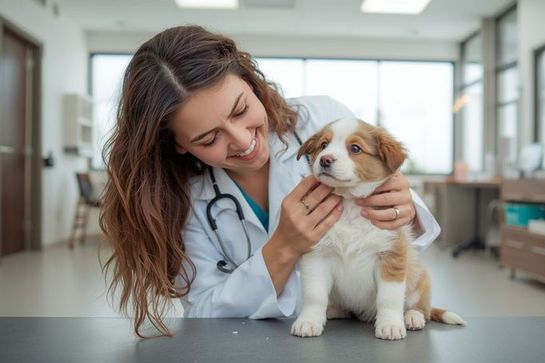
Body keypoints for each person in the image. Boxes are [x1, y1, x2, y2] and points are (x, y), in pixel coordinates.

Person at [100, 25, 441, 338]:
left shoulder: (321, 118)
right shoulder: (181, 200)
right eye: (208, 138)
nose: (241, 140)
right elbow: (204, 312)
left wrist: (402, 204)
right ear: (178, 144)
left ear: (250, 82)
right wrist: (284, 246)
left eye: (239, 109)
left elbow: (403, 231)